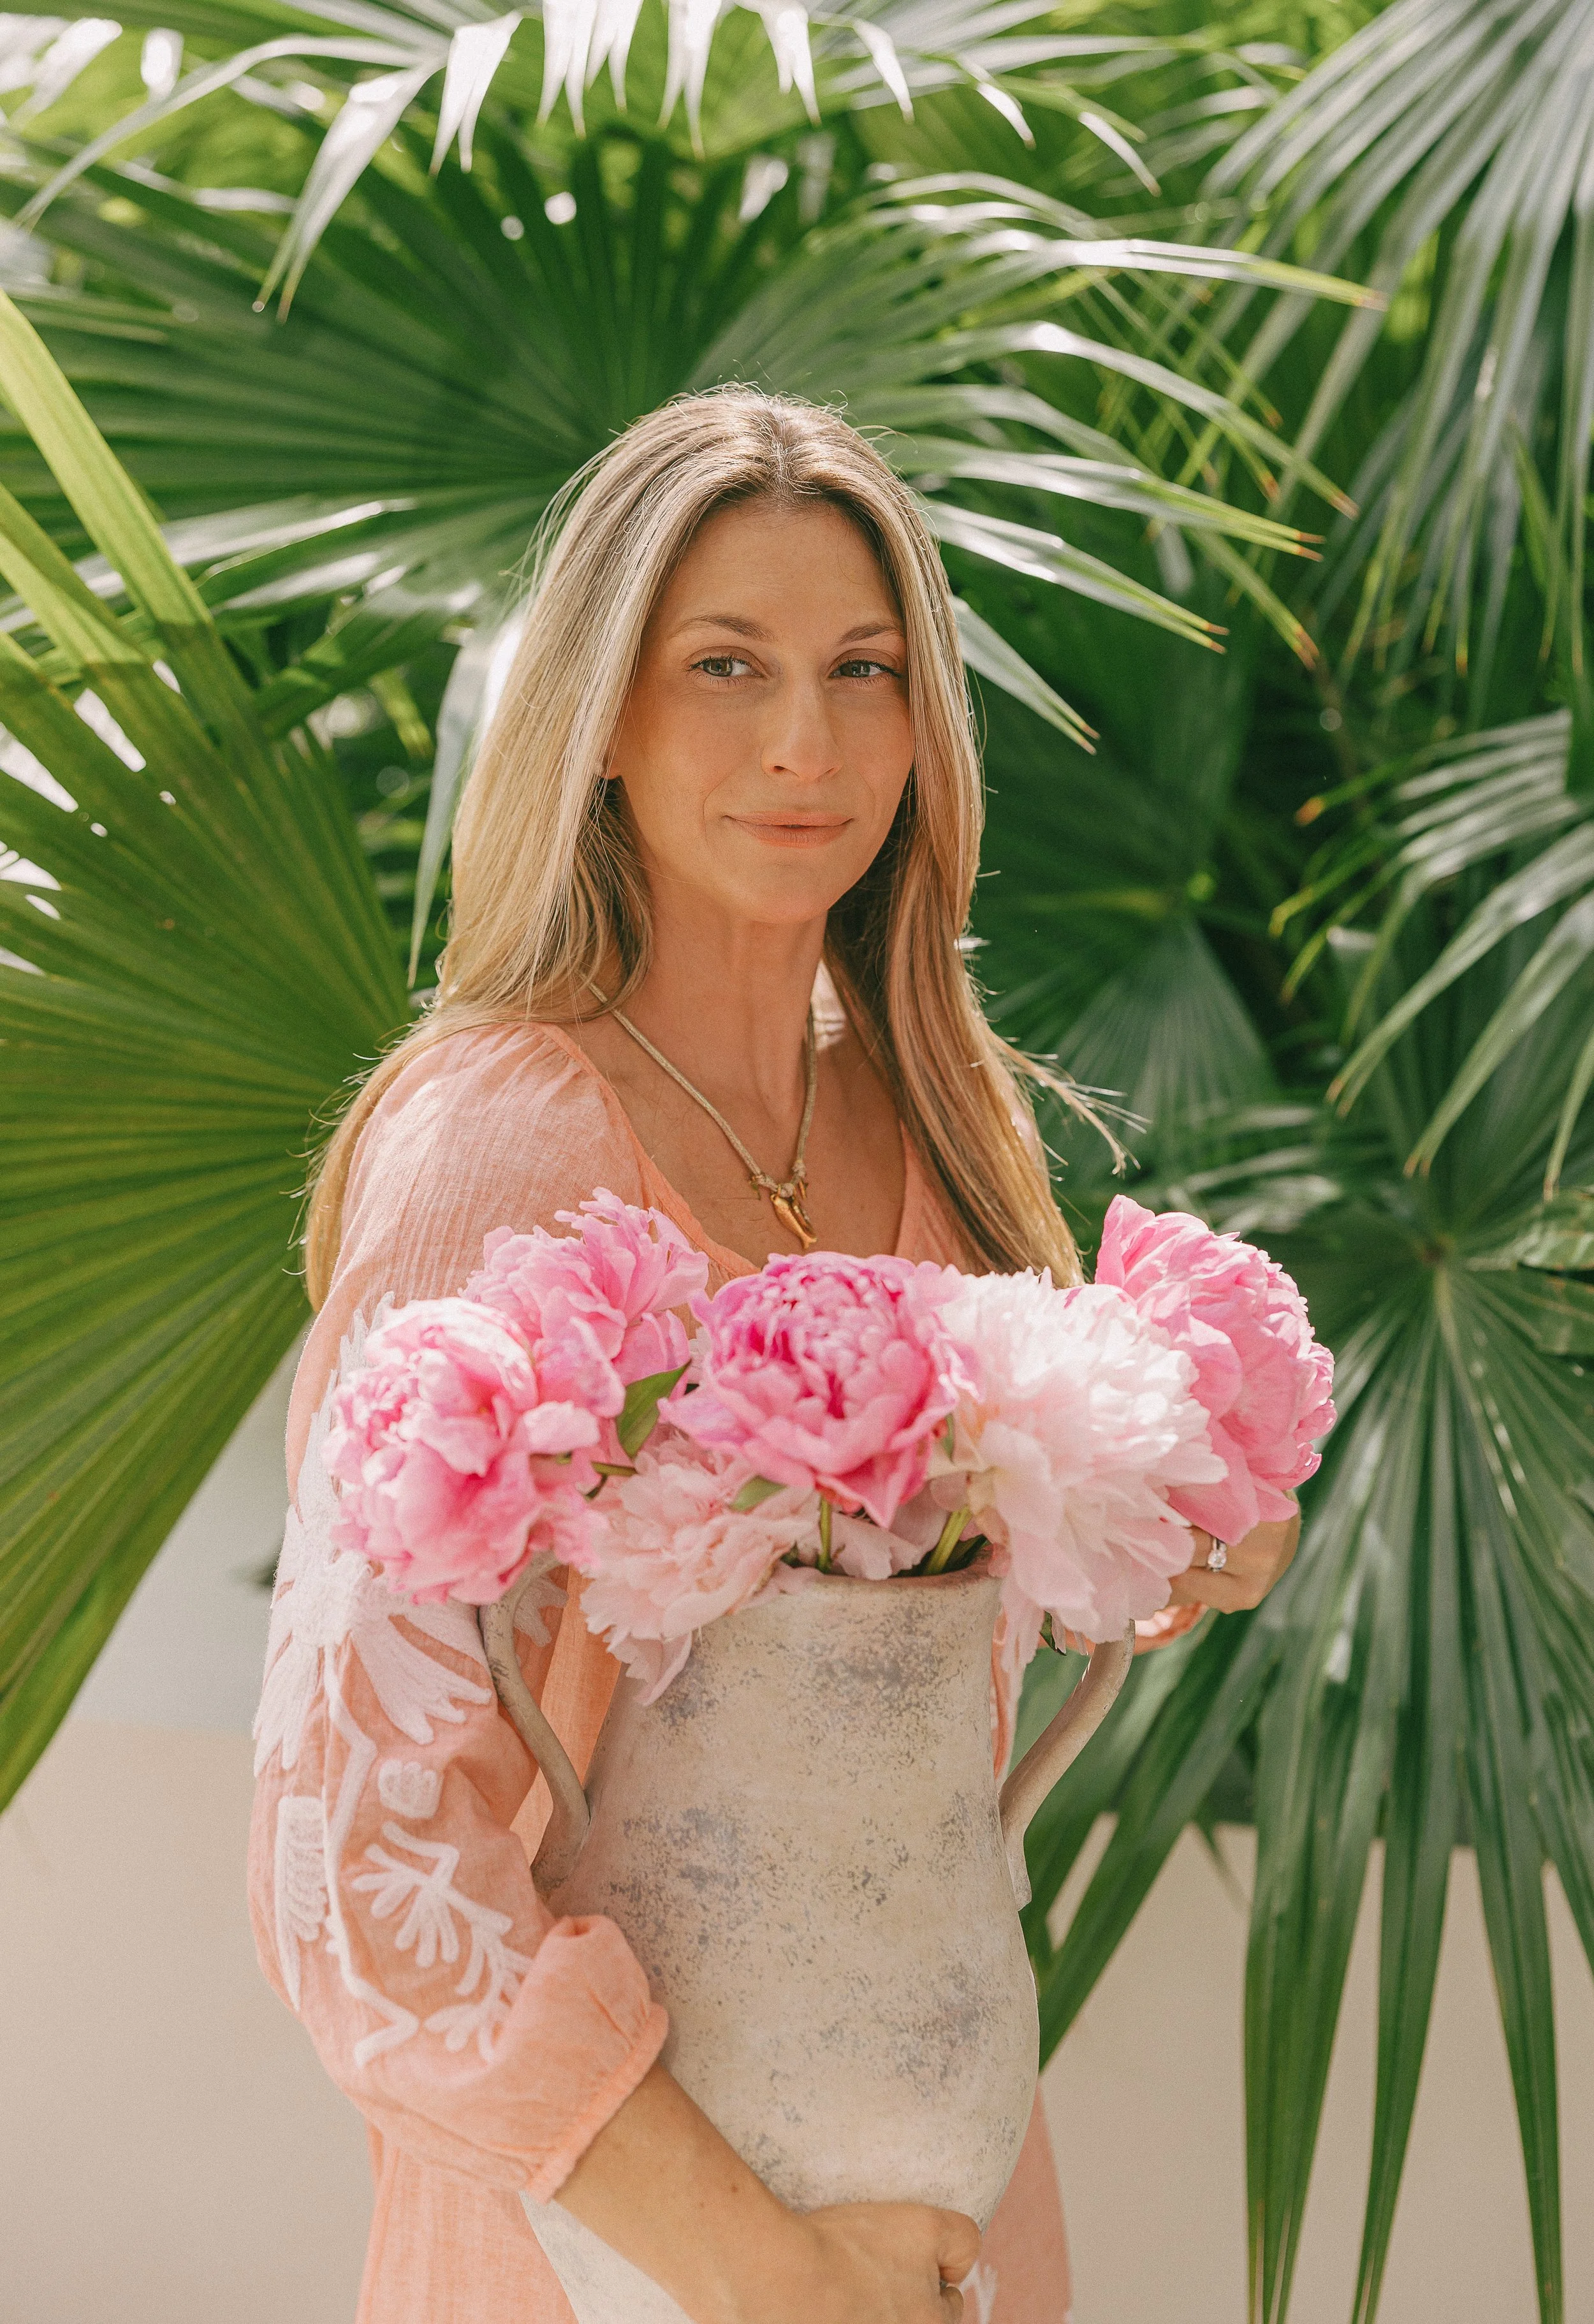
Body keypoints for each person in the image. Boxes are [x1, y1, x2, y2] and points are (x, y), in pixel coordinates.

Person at [251, 388, 1297, 2324]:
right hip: (633, 2253)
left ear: (923, 724)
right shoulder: (501, 1140)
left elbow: (908, 1693)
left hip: (949, 2224)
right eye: (721, 665)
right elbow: (360, 1847)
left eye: (861, 669)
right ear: (602, 718)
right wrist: (769, 2275)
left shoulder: (942, 1135)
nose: (804, 740)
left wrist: (1192, 1537)